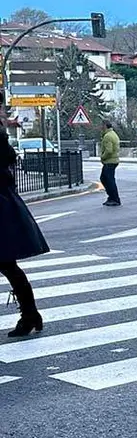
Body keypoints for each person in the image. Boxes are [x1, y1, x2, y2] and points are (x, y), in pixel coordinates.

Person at [0, 129, 47, 337]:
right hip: (5, 210)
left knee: (8, 265)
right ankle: (30, 314)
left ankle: (30, 315)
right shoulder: (3, 148)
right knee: (9, 266)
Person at [99, 121, 121, 206]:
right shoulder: (113, 134)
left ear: (105, 126)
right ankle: (112, 197)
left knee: (108, 180)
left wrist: (102, 157)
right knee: (105, 178)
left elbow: (109, 150)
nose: (101, 127)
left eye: (102, 125)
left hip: (109, 161)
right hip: (114, 160)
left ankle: (114, 198)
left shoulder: (107, 136)